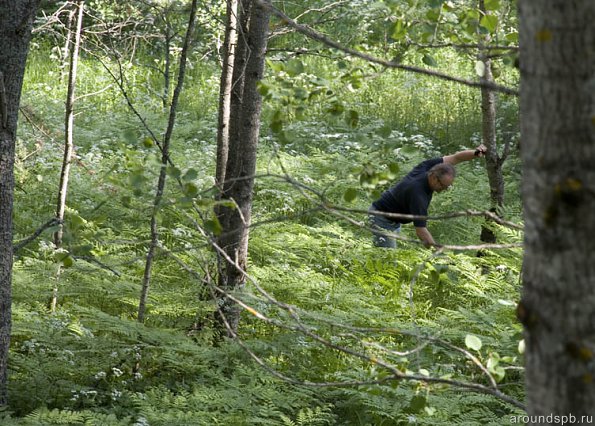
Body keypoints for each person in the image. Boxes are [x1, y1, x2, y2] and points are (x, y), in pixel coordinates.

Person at [369, 144, 487, 248]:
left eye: (448, 187)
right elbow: (421, 231)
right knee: (388, 260)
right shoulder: (418, 195)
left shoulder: (429, 167)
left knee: (384, 254)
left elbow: (456, 157)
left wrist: (476, 153)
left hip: (391, 216)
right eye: (443, 185)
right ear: (433, 177)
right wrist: (438, 251)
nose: (444, 189)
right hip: (381, 218)